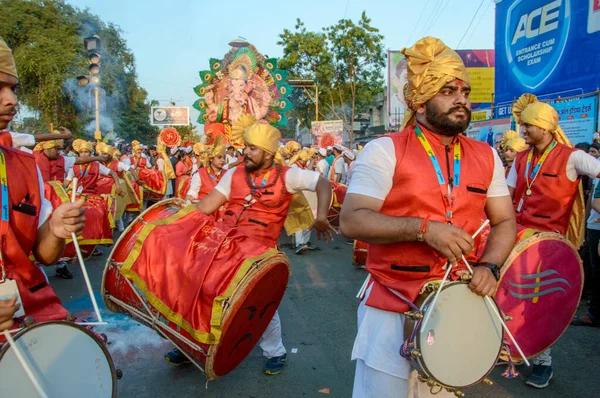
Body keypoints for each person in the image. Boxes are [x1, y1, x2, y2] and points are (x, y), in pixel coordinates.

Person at [340, 37, 516, 398]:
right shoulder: (384, 150)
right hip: (391, 306)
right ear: (419, 102)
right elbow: (352, 220)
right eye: (448, 91)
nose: (462, 100)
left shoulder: (487, 156)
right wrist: (423, 230)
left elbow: (504, 221)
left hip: (457, 306)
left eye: (464, 91)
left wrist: (490, 267)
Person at [166, 120, 335, 376]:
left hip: (259, 255)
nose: (245, 152)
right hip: (222, 249)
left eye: (252, 148)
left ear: (268, 153)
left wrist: (321, 216)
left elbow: (323, 184)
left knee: (259, 304)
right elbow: (206, 207)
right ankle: (190, 344)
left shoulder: (288, 175)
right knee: (200, 292)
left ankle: (275, 352)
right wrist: (173, 222)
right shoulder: (232, 174)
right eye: (245, 146)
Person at [507, 94, 600, 389]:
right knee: (507, 294)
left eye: (528, 127)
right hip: (516, 237)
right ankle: (511, 346)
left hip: (549, 245)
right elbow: (506, 196)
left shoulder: (572, 156)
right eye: (522, 127)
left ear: (544, 127)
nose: (523, 132)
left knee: (539, 302)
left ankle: (543, 362)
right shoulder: (521, 158)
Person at [0, 35, 86, 331]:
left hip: (32, 311)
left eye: (12, 88)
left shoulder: (24, 165)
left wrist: (57, 229)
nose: (12, 100)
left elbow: (46, 254)